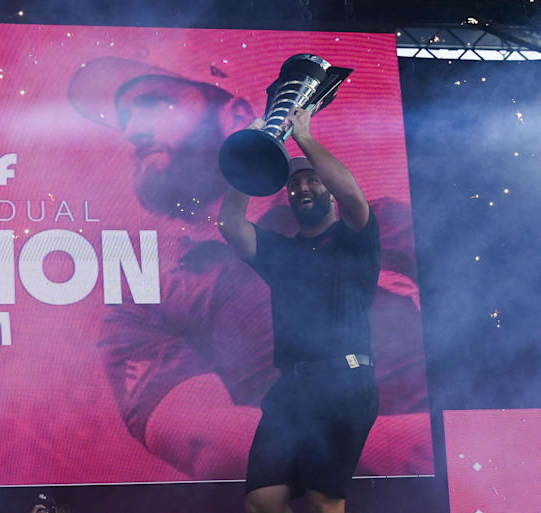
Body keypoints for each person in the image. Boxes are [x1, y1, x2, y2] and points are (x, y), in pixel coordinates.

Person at [67, 57, 430, 481]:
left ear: (237, 115)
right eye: (125, 120)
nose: (132, 132)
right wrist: (369, 443)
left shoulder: (379, 224)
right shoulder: (143, 303)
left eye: (155, 104)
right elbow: (210, 440)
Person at [219, 107, 378, 513]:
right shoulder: (281, 252)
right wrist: (251, 159)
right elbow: (231, 225)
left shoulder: (354, 239)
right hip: (293, 388)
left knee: (324, 502)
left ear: (326, 189)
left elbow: (351, 194)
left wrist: (303, 136)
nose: (302, 189)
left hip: (344, 382)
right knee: (262, 500)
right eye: (294, 185)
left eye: (312, 181)